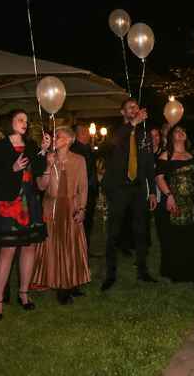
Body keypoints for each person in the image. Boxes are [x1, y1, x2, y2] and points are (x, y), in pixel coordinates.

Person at [0, 109, 51, 321]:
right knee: (7, 250)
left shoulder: (31, 145)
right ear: (10, 123)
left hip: (30, 202)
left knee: (29, 247)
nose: (25, 123)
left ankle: (24, 292)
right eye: (20, 119)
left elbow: (40, 172)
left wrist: (42, 151)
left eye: (26, 120)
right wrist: (12, 168)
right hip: (8, 204)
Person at [101, 99, 158, 291]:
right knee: (114, 232)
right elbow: (112, 144)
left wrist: (151, 191)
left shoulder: (144, 134)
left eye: (136, 107)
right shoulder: (116, 131)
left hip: (138, 187)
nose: (135, 110)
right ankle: (110, 274)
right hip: (118, 188)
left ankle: (142, 270)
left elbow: (149, 163)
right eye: (130, 108)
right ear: (122, 112)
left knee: (141, 231)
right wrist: (132, 125)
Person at [33, 127, 91, 305]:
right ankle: (60, 286)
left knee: (72, 245)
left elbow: (83, 186)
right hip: (52, 207)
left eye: (58, 136)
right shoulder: (47, 158)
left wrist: (82, 209)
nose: (55, 138)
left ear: (68, 140)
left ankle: (73, 282)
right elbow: (41, 187)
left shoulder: (79, 160)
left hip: (71, 207)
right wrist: (49, 166)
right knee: (56, 245)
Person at [154, 126, 194, 282]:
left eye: (183, 131)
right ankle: (177, 272)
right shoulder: (165, 156)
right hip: (175, 202)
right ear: (172, 137)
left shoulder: (192, 154)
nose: (181, 132)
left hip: (193, 202)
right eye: (177, 131)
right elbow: (159, 178)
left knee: (193, 235)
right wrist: (169, 195)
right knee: (176, 237)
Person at [70, 124, 99, 254]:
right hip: (80, 192)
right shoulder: (75, 150)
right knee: (81, 222)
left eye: (87, 132)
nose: (87, 134)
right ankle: (80, 250)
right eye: (83, 132)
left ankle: (84, 248)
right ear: (76, 135)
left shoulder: (88, 148)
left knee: (88, 222)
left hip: (90, 190)